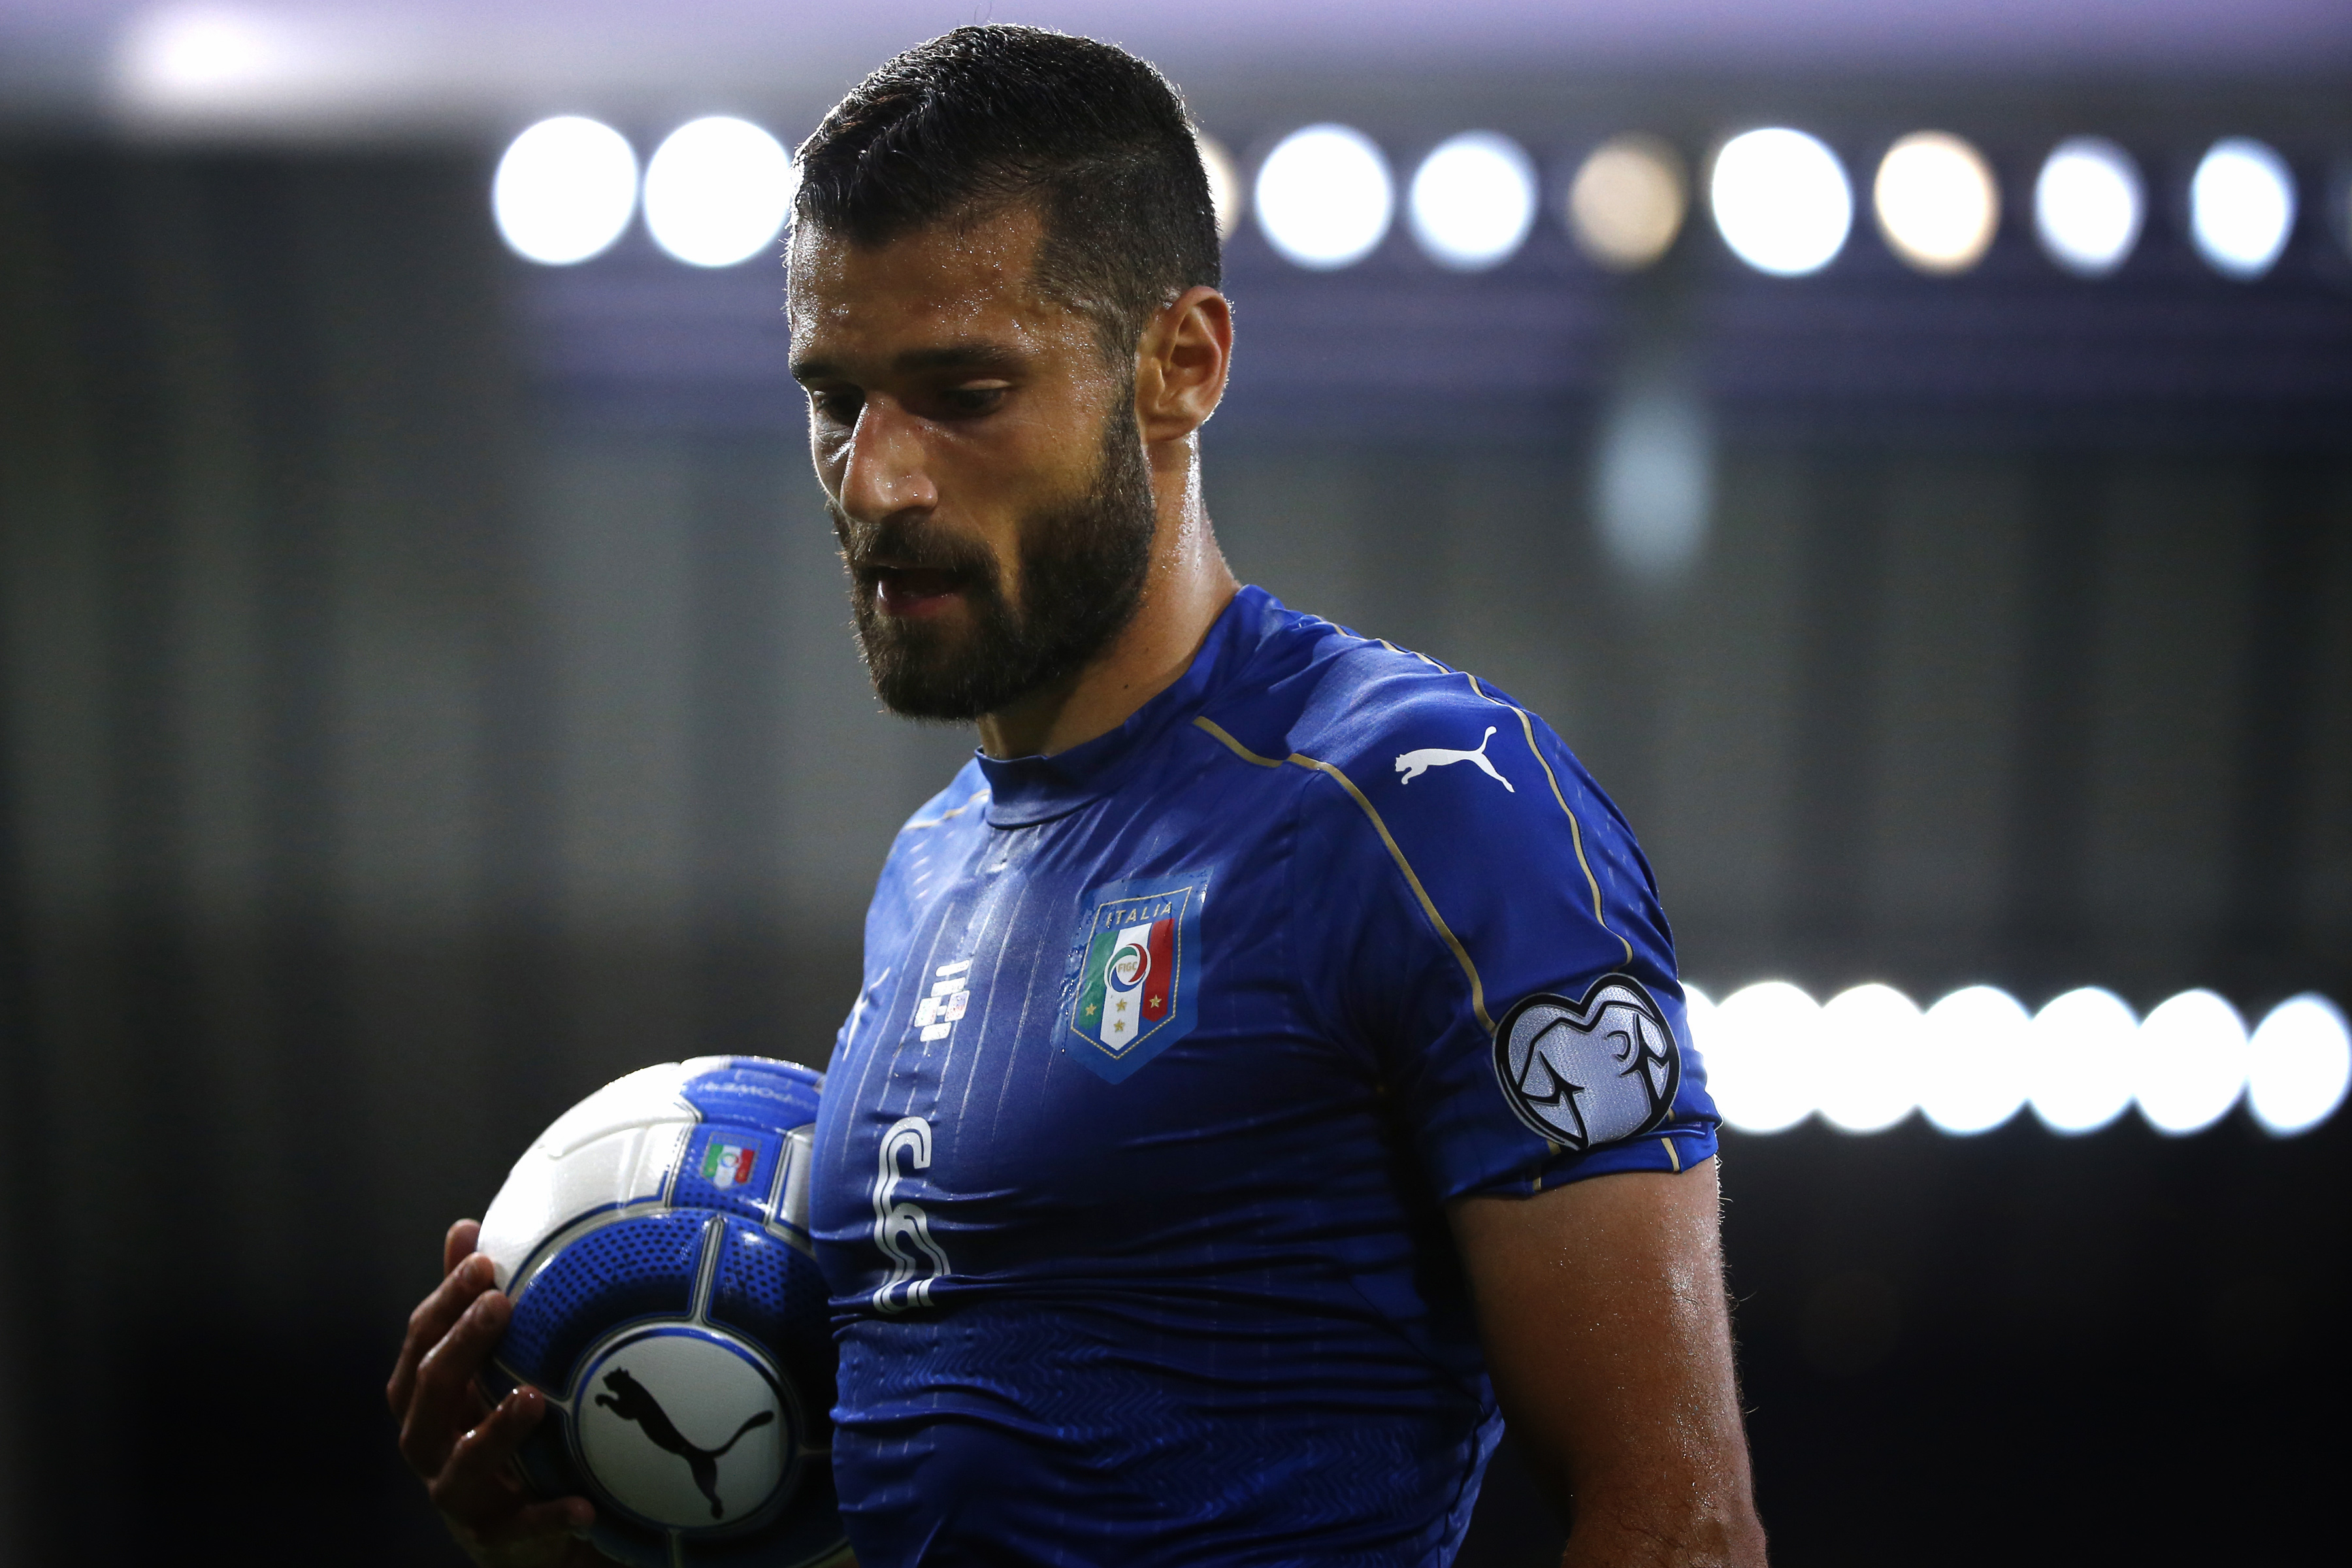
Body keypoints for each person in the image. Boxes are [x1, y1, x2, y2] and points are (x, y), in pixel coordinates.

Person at [389, 25, 1766, 1568]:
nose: (876, 481)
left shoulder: (1427, 808)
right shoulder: (933, 876)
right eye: (836, 398)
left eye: (963, 391)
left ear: (1182, 365)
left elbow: (1681, 1522)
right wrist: (576, 1528)